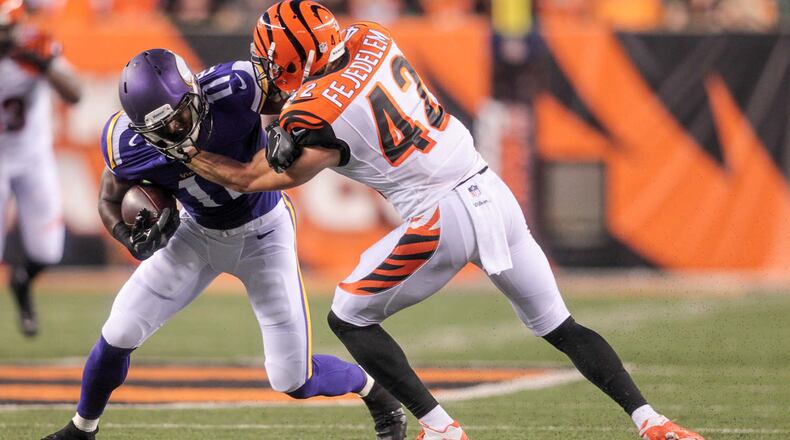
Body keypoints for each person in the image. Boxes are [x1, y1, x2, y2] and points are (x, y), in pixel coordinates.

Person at [182, 2, 708, 440]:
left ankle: (439, 429)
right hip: (490, 190)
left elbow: (258, 177)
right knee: (560, 326)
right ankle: (651, 421)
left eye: (272, 60)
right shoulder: (371, 37)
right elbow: (330, 94)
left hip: (440, 214)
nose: (267, 70)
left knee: (348, 317)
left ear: (297, 60)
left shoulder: (316, 113)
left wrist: (184, 150)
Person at [41, 48, 406, 440]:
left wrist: (293, 125)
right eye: (163, 127)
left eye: (181, 113)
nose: (178, 129)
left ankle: (375, 389)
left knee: (292, 378)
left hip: (264, 234)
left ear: (195, 92)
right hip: (195, 235)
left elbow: (301, 93)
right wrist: (128, 236)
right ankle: (82, 429)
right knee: (119, 332)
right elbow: (109, 200)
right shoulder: (124, 142)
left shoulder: (235, 87)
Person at [0, 0, 81, 337]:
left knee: (48, 251)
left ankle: (22, 282)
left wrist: (46, 65)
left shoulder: (36, 46)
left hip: (33, 157)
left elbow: (75, 93)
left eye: (7, 30)